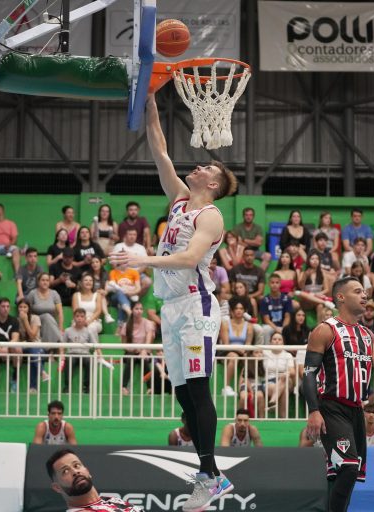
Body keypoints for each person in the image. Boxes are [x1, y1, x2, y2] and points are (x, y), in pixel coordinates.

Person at [110, 93, 236, 510]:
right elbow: (159, 149)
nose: (197, 167)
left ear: (213, 184)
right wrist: (150, 102)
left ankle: (209, 475)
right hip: (170, 308)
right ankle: (210, 475)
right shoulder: (180, 199)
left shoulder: (210, 216)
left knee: (198, 389)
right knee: (182, 395)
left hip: (197, 307)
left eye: (206, 168)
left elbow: (188, 258)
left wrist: (142, 259)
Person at [303, 276, 374, 512]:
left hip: (356, 410)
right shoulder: (325, 330)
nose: (364, 295)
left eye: (364, 291)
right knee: (349, 467)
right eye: (357, 291)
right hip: (331, 407)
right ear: (341, 297)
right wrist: (313, 410)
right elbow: (308, 374)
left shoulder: (367, 334)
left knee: (345, 473)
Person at [46, 449, 142, 511]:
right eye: (65, 471)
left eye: (76, 465)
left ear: (88, 471)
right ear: (57, 487)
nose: (75, 472)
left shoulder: (112, 500)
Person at [61, 309, 102, 394]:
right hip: (71, 354)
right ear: (74, 318)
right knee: (70, 361)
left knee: (90, 360)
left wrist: (100, 355)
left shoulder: (89, 331)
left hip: (85, 354)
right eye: (77, 316)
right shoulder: (68, 330)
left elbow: (95, 345)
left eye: (82, 316)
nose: (79, 318)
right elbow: (62, 345)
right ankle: (67, 386)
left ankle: (86, 387)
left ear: (85, 318)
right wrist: (62, 354)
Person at [118, 302, 155, 395]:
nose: (139, 311)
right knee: (131, 358)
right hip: (131, 352)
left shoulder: (148, 323)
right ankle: (123, 387)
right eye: (136, 309)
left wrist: (144, 350)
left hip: (145, 351)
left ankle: (150, 388)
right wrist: (134, 349)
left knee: (144, 360)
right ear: (132, 310)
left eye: (141, 309)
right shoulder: (126, 325)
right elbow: (124, 344)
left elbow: (149, 339)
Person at [221, 299, 254, 397]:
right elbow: (226, 344)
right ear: (232, 311)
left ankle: (242, 388)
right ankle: (226, 387)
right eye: (236, 308)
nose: (239, 310)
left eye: (241, 308)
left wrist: (244, 351)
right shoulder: (225, 324)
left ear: (244, 311)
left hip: (243, 352)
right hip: (228, 352)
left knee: (248, 359)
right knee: (234, 357)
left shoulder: (249, 326)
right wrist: (238, 349)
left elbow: (248, 343)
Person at [26, 273, 65, 354]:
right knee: (46, 316)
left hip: (52, 322)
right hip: (37, 323)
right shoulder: (32, 293)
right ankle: (59, 344)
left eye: (47, 280)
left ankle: (50, 349)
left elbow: (60, 313)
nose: (45, 282)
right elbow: (27, 309)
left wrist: (60, 329)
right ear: (38, 282)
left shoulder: (54, 294)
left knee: (48, 318)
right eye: (43, 280)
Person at [17, 299, 48, 393]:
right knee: (34, 352)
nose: (22, 309)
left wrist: (25, 320)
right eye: (20, 307)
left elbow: (32, 336)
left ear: (29, 308)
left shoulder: (35, 318)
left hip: (37, 345)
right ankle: (42, 372)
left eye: (25, 307)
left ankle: (33, 388)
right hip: (23, 347)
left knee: (33, 352)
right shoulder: (16, 320)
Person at [112, 227, 152, 298]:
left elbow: (145, 263)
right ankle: (129, 299)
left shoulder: (141, 248)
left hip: (138, 273)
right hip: (121, 274)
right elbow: (114, 263)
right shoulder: (118, 246)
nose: (132, 236)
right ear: (125, 235)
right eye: (130, 234)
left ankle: (136, 299)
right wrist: (125, 274)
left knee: (148, 281)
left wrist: (135, 274)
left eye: (134, 234)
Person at [262, 332, 294, 418]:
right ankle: (283, 419)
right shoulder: (264, 353)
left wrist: (285, 374)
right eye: (274, 339)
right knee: (283, 390)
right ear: (270, 342)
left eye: (279, 340)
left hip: (285, 379)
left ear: (283, 343)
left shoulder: (287, 355)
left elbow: (292, 371)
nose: (277, 341)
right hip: (269, 381)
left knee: (284, 379)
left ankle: (273, 401)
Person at [0, 203, 21, 275]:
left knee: (16, 250)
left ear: (1, 211)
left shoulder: (11, 223)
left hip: (7, 247)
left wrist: (10, 244)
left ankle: (17, 274)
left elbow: (15, 238)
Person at [260, 274, 293, 344]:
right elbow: (266, 320)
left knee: (288, 329)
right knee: (265, 329)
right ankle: (267, 349)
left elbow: (287, 317)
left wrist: (283, 328)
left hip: (283, 325)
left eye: (277, 283)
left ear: (280, 284)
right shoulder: (264, 300)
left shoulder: (287, 298)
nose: (274, 285)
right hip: (271, 326)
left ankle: (287, 349)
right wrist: (276, 328)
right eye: (272, 282)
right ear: (268, 284)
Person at [72, 274, 104, 344]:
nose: (88, 282)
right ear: (81, 283)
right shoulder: (76, 295)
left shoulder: (97, 295)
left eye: (90, 280)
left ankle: (96, 349)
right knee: (76, 328)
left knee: (91, 328)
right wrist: (82, 320)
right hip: (78, 320)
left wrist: (89, 321)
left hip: (94, 321)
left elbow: (98, 311)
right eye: (86, 280)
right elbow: (75, 311)